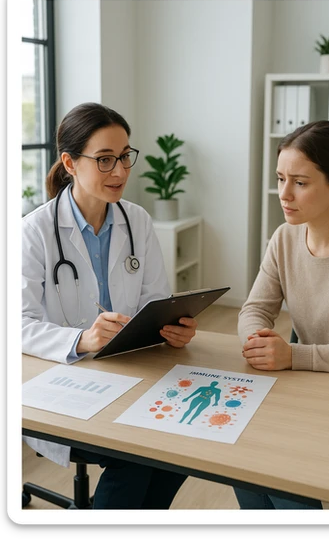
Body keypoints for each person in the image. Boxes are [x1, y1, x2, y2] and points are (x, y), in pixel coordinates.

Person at [22, 102, 198, 509]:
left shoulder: (136, 220)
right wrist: (81, 339)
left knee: (182, 444)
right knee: (138, 457)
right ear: (69, 162)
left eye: (124, 157)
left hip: (131, 374)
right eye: (104, 160)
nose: (120, 172)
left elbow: (156, 301)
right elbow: (19, 324)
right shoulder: (34, 232)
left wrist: (174, 326)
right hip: (64, 383)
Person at [234, 120, 329, 510]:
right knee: (242, 465)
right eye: (280, 179)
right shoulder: (285, 238)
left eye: (300, 183)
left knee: (285, 482)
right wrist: (257, 340)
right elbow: (255, 308)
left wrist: (293, 356)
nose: (284, 194)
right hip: (311, 385)